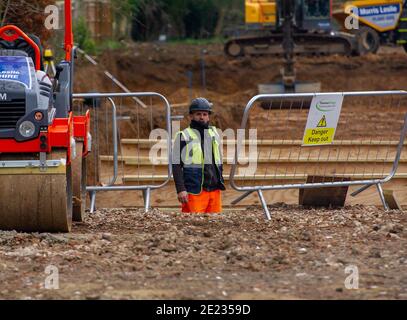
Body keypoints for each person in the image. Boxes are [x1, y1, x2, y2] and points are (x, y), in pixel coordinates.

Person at [172, 98, 226, 213]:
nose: (202, 117)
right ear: (191, 116)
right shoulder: (183, 136)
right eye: (198, 114)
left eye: (205, 114)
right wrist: (181, 189)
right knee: (192, 227)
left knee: (216, 227)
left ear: (208, 116)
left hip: (214, 191)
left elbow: (218, 159)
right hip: (195, 192)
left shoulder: (214, 133)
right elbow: (176, 165)